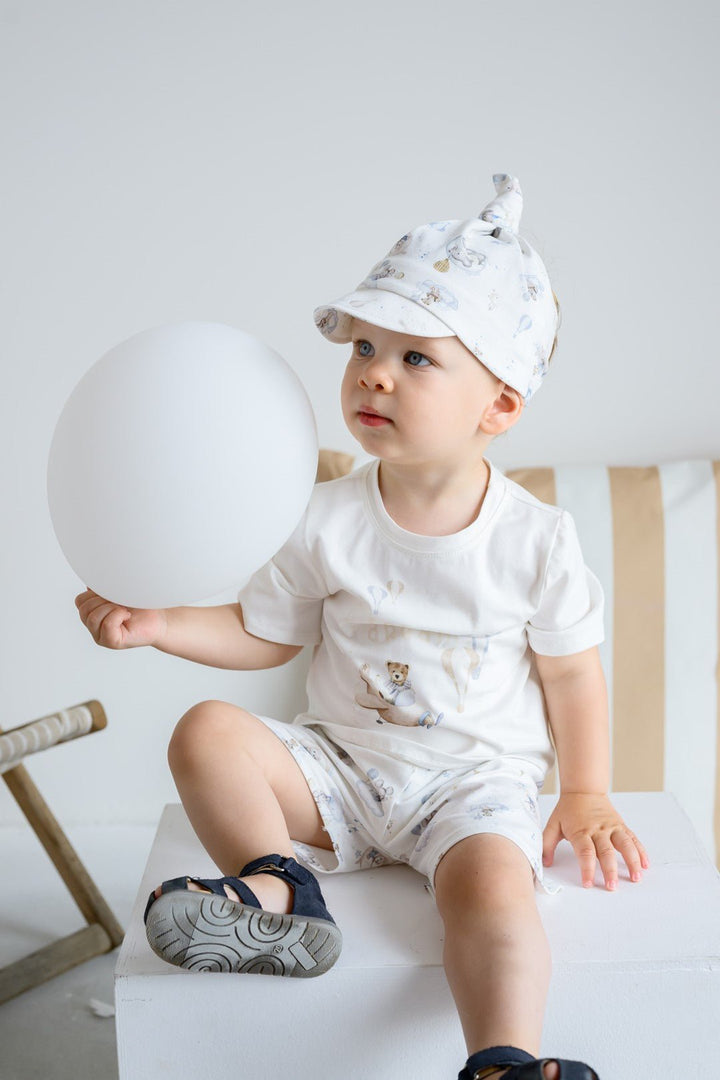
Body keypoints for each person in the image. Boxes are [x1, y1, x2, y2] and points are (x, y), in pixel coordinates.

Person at [76, 174, 648, 1080]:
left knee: (494, 897)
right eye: (365, 348)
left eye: (417, 358)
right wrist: (162, 625)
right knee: (205, 730)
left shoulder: (536, 540)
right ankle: (280, 885)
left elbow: (574, 673)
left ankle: (502, 1059)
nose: (374, 371)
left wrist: (586, 794)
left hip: (471, 786)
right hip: (339, 771)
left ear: (498, 406)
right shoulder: (323, 515)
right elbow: (269, 634)